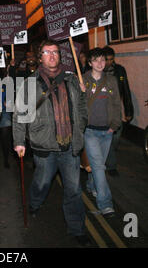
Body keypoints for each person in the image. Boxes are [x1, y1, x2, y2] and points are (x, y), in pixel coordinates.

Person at [12, 40, 91, 247]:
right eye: (47, 52)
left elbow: (81, 106)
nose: (52, 55)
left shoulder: (72, 80)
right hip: (44, 145)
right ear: (40, 57)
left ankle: (77, 228)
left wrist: (80, 127)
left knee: (73, 190)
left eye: (55, 52)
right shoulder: (30, 83)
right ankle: (35, 202)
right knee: (42, 183)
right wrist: (19, 141)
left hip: (69, 146)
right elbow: (20, 114)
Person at [82, 48, 121, 218]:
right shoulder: (83, 80)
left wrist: (115, 125)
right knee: (99, 166)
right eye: (96, 60)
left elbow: (116, 104)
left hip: (107, 131)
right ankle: (106, 205)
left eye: (103, 60)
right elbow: (76, 105)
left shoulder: (111, 80)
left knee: (97, 165)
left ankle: (92, 186)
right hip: (90, 131)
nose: (100, 63)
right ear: (90, 63)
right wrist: (80, 91)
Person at [103, 46, 134, 176]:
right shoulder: (97, 70)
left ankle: (108, 155)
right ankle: (111, 166)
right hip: (102, 110)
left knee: (115, 137)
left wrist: (129, 110)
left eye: (111, 59)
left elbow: (126, 90)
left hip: (116, 110)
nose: (109, 62)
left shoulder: (120, 70)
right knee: (108, 138)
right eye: (106, 59)